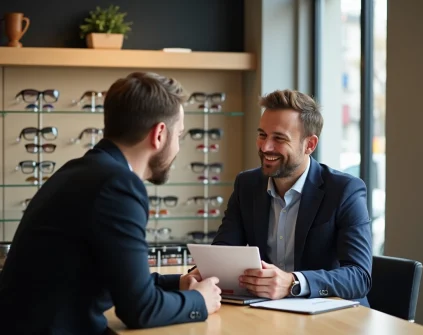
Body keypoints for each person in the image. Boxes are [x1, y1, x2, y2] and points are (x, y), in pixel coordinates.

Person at [0, 72, 222, 335]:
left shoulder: (78, 171)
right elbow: (140, 309)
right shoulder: (118, 186)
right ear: (159, 134)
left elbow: (120, 278)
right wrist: (200, 301)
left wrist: (179, 283)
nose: (178, 147)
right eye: (180, 135)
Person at [206, 89, 373, 306]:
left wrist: (293, 283)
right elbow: (223, 253)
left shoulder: (345, 190)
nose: (266, 147)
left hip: (333, 317)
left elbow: (359, 276)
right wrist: (203, 274)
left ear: (310, 145)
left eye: (279, 138)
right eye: (262, 135)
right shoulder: (246, 185)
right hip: (267, 312)